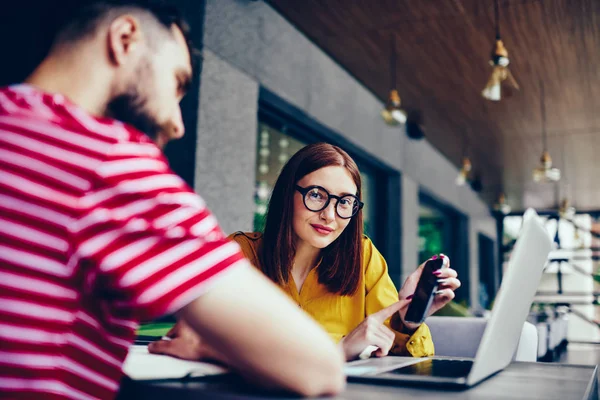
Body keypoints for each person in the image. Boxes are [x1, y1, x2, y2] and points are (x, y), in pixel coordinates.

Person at [0, 2, 345, 398]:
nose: (177, 123)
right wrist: (211, 346)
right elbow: (318, 369)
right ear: (125, 38)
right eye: (178, 84)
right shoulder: (106, 158)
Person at [149, 143, 461, 362]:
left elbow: (400, 355)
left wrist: (408, 319)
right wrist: (338, 348)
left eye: (344, 202)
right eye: (316, 195)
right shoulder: (241, 254)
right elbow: (197, 339)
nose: (330, 215)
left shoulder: (363, 256)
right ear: (289, 194)